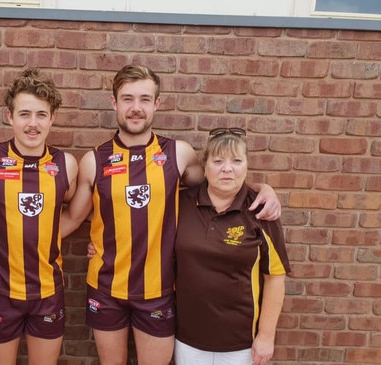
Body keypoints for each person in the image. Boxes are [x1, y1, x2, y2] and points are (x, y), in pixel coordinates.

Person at [60, 64, 281, 365]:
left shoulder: (178, 154)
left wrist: (262, 186)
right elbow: (73, 218)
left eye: (145, 99)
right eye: (127, 98)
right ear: (114, 102)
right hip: (106, 287)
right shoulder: (93, 161)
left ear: (157, 103)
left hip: (159, 290)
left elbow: (219, 178)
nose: (135, 108)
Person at [0, 68, 78, 365]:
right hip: (1, 291)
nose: (32, 124)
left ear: (53, 118)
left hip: (48, 291)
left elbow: (76, 209)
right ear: (10, 117)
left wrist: (50, 233)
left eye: (41, 114)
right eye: (24, 114)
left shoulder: (66, 165)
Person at [174, 127, 289, 365]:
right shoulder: (180, 203)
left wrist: (266, 336)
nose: (227, 168)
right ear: (204, 167)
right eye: (218, 161)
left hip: (241, 342)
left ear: (246, 166)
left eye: (236, 160)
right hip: (187, 337)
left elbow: (275, 276)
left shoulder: (260, 209)